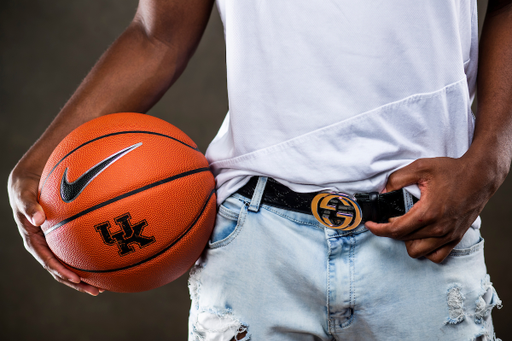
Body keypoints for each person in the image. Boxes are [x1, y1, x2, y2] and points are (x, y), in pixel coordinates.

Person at [7, 0, 512, 340]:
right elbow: (156, 35)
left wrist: (490, 158)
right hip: (257, 240)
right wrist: (39, 164)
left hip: (424, 228)